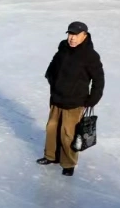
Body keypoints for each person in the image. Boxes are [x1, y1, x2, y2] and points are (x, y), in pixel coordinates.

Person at [39, 21, 105, 176]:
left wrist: (92, 100)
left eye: (76, 35)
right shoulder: (63, 48)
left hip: (75, 102)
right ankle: (51, 156)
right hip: (57, 98)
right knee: (52, 129)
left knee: (67, 133)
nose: (72, 38)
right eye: (70, 34)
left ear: (84, 36)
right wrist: (53, 84)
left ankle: (68, 164)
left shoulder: (90, 56)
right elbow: (53, 67)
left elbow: (99, 80)